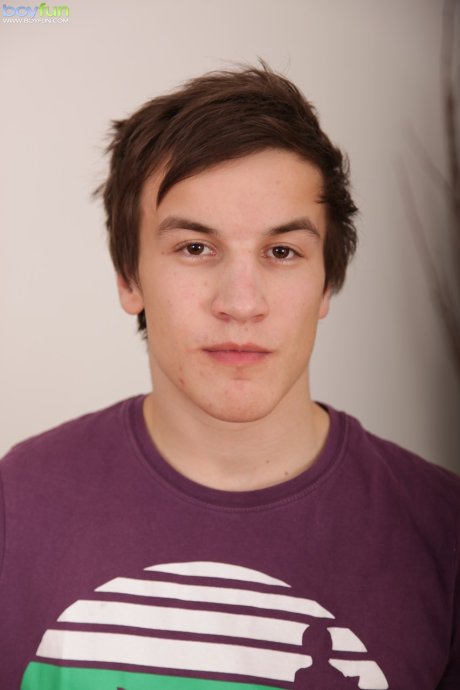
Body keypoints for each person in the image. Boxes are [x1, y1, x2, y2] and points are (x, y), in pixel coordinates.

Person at [0, 63, 459, 690]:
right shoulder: (17, 507)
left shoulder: (443, 533)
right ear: (129, 278)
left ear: (326, 282)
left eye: (282, 252)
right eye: (196, 248)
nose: (241, 304)